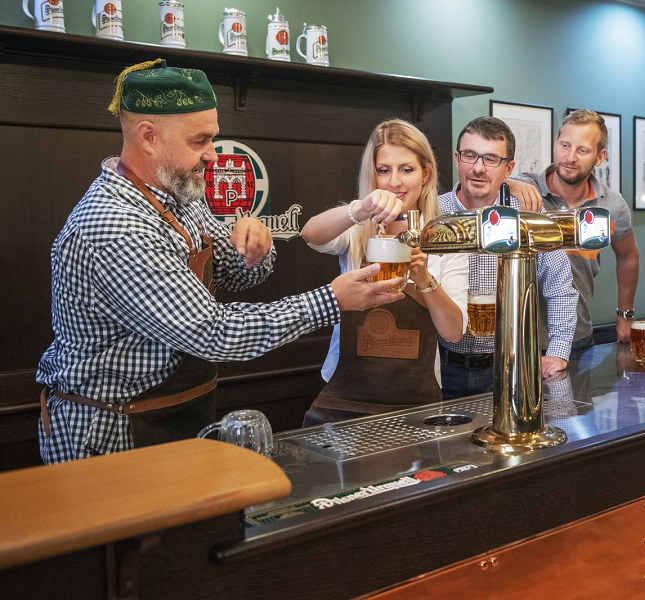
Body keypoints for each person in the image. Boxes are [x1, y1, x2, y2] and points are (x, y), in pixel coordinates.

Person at [35, 60, 403, 464]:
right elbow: (213, 332)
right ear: (148, 137)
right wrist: (330, 301)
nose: (212, 155)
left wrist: (257, 247)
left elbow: (233, 272)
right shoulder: (114, 225)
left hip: (177, 413)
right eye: (200, 141)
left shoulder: (178, 195)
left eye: (213, 139)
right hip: (112, 431)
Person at [300, 119, 468, 424]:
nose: (394, 182)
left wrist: (424, 280)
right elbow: (311, 234)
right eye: (384, 170)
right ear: (372, 175)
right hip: (344, 399)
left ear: (426, 174)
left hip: (416, 404)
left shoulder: (444, 236)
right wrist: (360, 210)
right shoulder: (357, 228)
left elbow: (453, 332)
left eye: (407, 169)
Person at [438, 116, 578, 399]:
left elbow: (560, 285)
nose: (478, 168)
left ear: (509, 168)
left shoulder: (526, 214)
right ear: (456, 159)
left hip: (513, 363)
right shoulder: (434, 211)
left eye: (491, 159)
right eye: (469, 155)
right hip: (440, 365)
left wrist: (558, 351)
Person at [508, 109, 640, 345]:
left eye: (582, 150)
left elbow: (628, 256)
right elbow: (474, 190)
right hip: (519, 338)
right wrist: (507, 183)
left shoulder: (611, 205)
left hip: (575, 336)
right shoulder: (522, 189)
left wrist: (625, 314)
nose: (570, 157)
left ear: (600, 157)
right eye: (565, 145)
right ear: (555, 143)